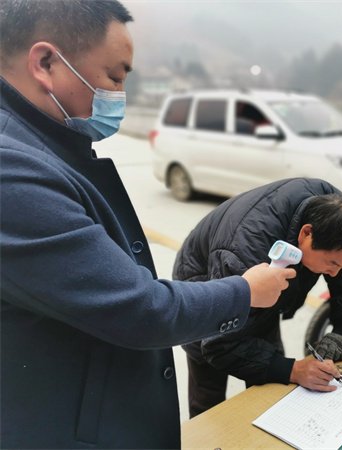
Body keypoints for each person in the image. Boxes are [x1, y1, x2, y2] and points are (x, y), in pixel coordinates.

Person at [0, 1, 295, 448]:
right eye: (114, 77)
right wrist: (246, 291)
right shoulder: (13, 170)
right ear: (45, 64)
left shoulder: (46, 144)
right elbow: (141, 309)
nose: (120, 94)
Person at [173, 178, 342, 417]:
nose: (335, 273)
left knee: (269, 389)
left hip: (260, 280)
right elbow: (218, 345)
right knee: (208, 393)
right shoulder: (244, 254)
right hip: (205, 289)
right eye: (332, 263)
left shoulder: (340, 215)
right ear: (306, 233)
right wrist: (293, 370)